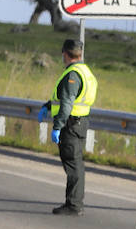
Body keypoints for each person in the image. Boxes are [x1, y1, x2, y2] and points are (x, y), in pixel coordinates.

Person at [37, 39, 98, 216]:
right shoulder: (84, 71)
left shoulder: (72, 74)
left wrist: (57, 126)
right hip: (79, 122)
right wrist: (48, 106)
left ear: (65, 53)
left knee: (73, 164)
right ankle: (74, 202)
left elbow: (67, 103)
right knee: (75, 162)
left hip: (71, 124)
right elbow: (66, 99)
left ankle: (73, 205)